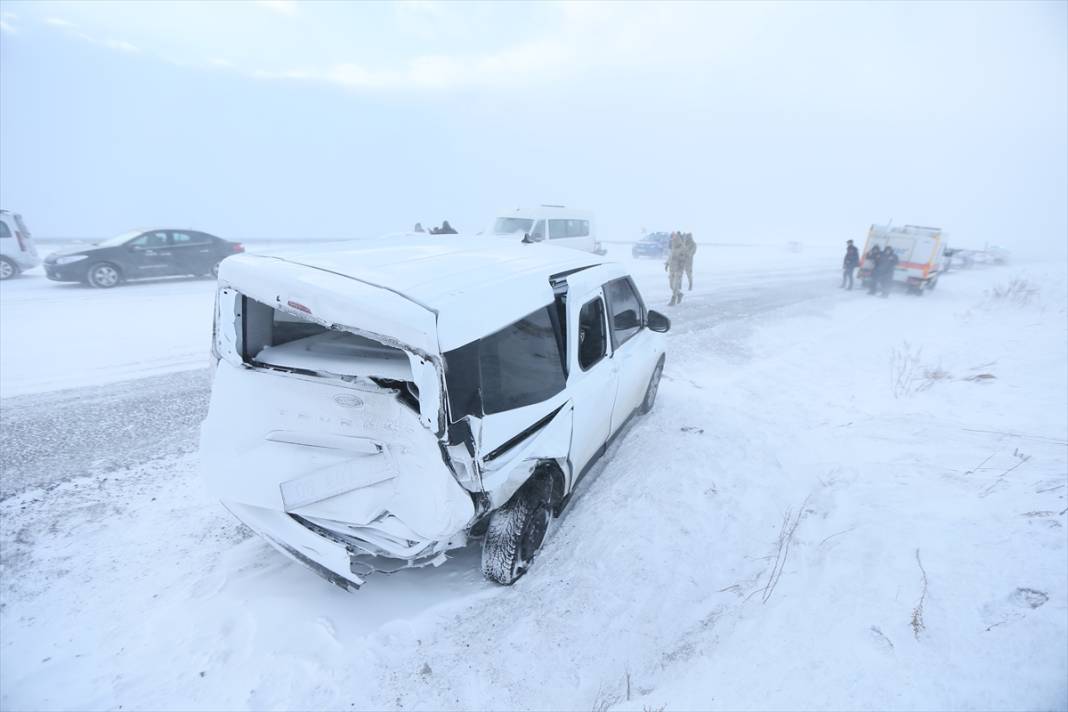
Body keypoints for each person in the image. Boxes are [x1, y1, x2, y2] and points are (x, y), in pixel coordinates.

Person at [665, 232, 687, 306]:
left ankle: (673, 299)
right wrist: (667, 264)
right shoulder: (673, 248)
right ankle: (679, 294)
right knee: (671, 286)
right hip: (672, 269)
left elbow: (684, 258)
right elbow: (670, 257)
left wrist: (679, 260)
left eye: (674, 240)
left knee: (675, 285)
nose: (672, 242)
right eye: (672, 240)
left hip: (678, 270)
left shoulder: (682, 248)